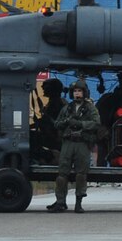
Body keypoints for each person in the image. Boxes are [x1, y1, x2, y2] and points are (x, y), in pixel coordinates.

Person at [48, 82, 100, 212]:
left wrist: (80, 124)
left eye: (79, 91)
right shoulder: (67, 109)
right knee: (62, 174)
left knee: (81, 174)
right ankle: (60, 202)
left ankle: (78, 202)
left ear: (84, 92)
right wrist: (67, 122)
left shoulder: (90, 108)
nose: (77, 93)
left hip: (82, 143)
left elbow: (96, 123)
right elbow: (57, 124)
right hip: (68, 142)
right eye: (75, 91)